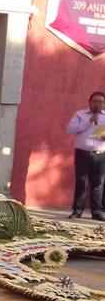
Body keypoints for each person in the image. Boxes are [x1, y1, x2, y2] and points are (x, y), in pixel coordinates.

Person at [67, 91, 105, 220]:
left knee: (98, 183)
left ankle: (97, 212)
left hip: (100, 153)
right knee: (82, 182)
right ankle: (77, 210)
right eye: (95, 101)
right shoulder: (80, 114)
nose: (98, 104)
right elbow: (70, 129)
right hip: (83, 152)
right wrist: (88, 122)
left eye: (100, 102)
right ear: (90, 102)